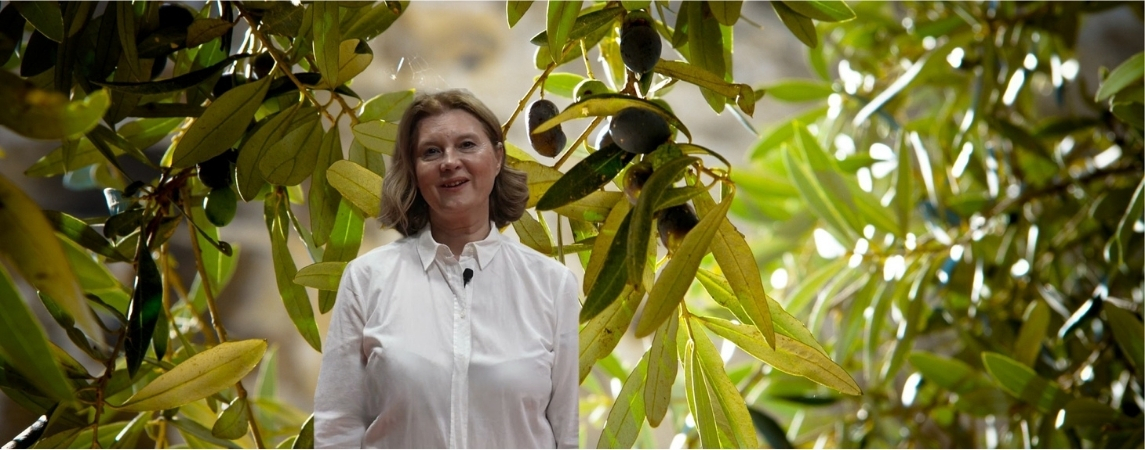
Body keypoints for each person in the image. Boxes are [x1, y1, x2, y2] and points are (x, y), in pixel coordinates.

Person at [313, 89, 580, 448]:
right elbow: (337, 425)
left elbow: (566, 432)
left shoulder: (551, 285)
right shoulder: (367, 280)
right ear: (414, 170)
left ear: (498, 158)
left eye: (467, 145)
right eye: (431, 151)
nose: (449, 162)